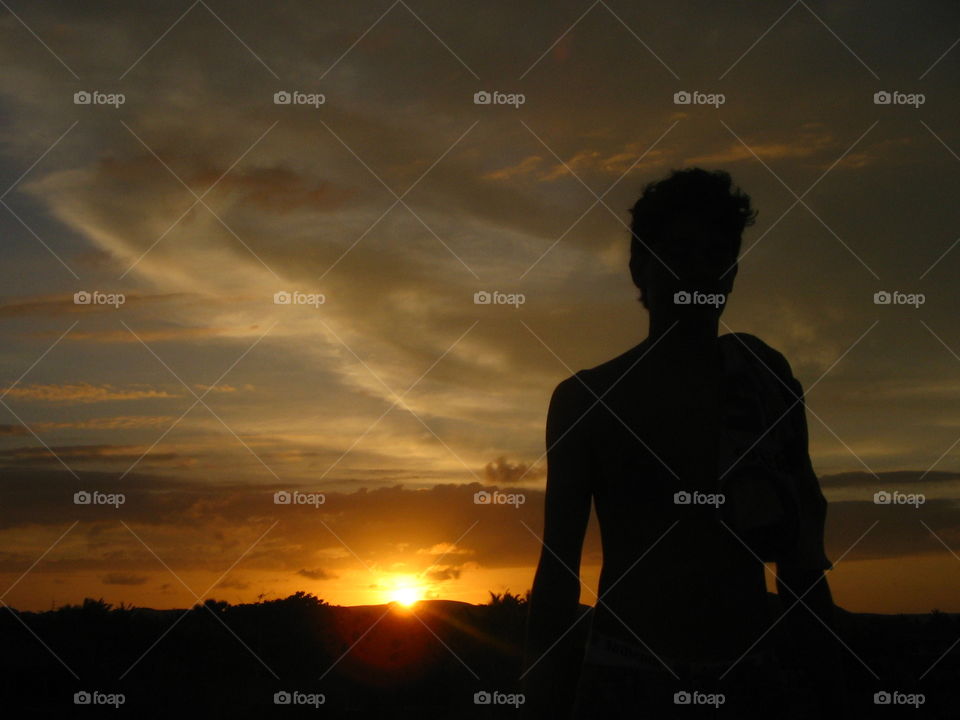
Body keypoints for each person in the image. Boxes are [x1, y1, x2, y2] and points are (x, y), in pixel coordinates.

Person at [521, 169, 844, 719]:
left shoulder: (762, 381)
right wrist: (541, 694)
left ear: (734, 271)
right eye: (681, 252)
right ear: (639, 266)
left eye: (717, 255)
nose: (699, 271)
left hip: (750, 679)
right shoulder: (587, 400)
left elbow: (801, 552)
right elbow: (557, 569)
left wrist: (830, 685)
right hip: (626, 679)